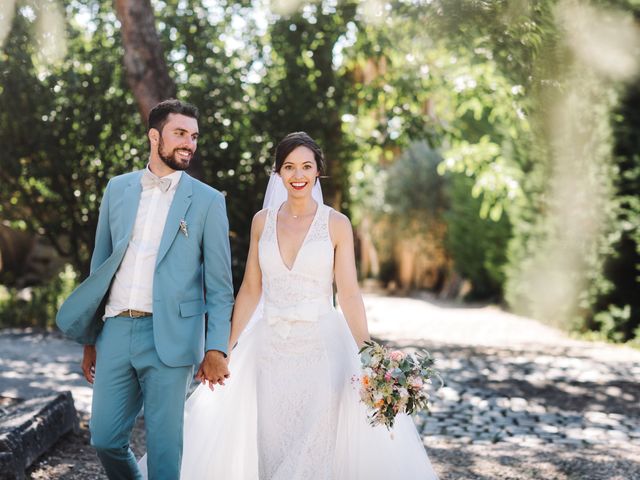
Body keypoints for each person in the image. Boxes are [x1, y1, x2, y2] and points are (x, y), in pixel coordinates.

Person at [140, 131, 438, 479]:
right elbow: (251, 289)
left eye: (306, 167)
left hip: (322, 351)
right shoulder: (262, 221)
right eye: (289, 167)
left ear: (317, 172)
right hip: (271, 351)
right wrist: (223, 348)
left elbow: (350, 294)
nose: (298, 175)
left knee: (314, 444)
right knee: (273, 443)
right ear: (278, 173)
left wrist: (369, 353)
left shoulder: (337, 224)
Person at [56, 99, 234, 480]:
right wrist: (91, 338)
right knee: (104, 438)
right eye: (180, 134)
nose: (189, 143)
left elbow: (220, 286)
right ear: (155, 137)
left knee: (165, 451)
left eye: (194, 136)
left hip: (172, 337)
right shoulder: (117, 189)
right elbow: (99, 267)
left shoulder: (207, 201)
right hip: (116, 330)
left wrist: (217, 348)